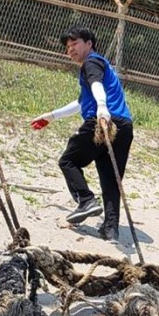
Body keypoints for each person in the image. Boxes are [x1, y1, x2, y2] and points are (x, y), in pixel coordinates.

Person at [31, 26, 133, 241]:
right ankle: (110, 229)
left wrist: (103, 109)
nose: (70, 49)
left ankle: (86, 200)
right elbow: (81, 103)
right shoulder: (99, 66)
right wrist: (52, 115)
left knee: (68, 161)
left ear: (89, 43)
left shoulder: (91, 62)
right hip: (124, 125)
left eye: (75, 44)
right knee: (111, 179)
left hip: (104, 121)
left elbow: (97, 87)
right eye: (68, 47)